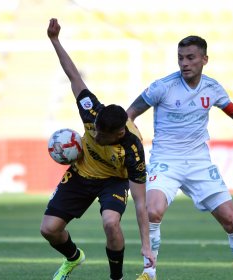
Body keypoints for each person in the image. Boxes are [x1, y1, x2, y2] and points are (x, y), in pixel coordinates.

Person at [127, 35, 233, 280]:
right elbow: (129, 115)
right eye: (180, 58)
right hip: (165, 161)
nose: (184, 63)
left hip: (200, 163)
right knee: (153, 211)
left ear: (204, 59)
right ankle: (149, 273)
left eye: (190, 58)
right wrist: (135, 140)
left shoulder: (213, 89)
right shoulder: (162, 86)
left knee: (232, 221)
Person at [40, 18, 155, 280]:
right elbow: (73, 76)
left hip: (112, 182)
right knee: (49, 229)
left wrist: (146, 245)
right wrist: (55, 40)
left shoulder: (133, 150)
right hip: (82, 173)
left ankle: (116, 278)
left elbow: (140, 202)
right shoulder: (92, 111)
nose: (96, 137)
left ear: (120, 133)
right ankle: (73, 257)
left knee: (111, 223)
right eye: (96, 132)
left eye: (104, 136)